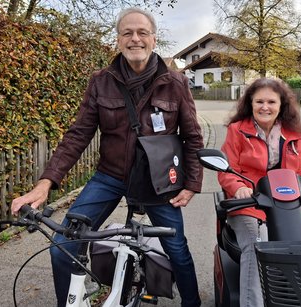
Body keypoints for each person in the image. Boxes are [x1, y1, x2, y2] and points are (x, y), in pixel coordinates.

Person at [11, 7, 203, 307]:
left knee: (176, 248)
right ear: (118, 41)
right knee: (63, 246)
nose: (135, 39)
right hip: (110, 176)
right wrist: (45, 184)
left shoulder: (175, 82)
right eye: (127, 33)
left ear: (154, 39)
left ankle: (192, 302)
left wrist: (191, 184)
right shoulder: (100, 81)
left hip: (157, 182)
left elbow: (192, 137)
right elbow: (78, 134)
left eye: (142, 33)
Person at [217, 77, 301, 307]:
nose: (265, 107)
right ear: (250, 103)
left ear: (281, 105)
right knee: (255, 244)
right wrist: (238, 187)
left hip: (286, 206)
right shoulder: (237, 130)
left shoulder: (292, 134)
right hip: (249, 204)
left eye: (271, 101)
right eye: (259, 101)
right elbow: (225, 169)